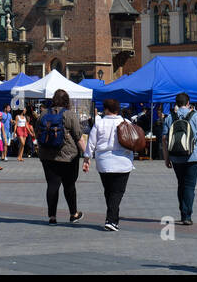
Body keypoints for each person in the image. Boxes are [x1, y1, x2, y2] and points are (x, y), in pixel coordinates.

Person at [82, 96, 133, 231]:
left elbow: (91, 143)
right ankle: (111, 220)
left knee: (109, 191)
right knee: (117, 192)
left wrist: (87, 159)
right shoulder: (126, 122)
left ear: (105, 109)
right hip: (123, 161)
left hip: (104, 162)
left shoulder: (99, 123)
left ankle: (113, 219)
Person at [36, 89, 86, 225]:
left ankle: (52, 217)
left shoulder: (43, 114)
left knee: (52, 185)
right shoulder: (70, 115)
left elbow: (37, 134)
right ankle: (73, 214)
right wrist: (87, 155)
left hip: (47, 156)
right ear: (67, 101)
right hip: (68, 157)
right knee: (69, 185)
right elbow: (78, 137)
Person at [161, 93, 197, 226]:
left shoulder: (170, 118)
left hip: (176, 156)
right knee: (189, 186)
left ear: (176, 103)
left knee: (181, 184)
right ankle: (187, 215)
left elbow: (164, 139)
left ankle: (183, 212)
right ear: (188, 103)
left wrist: (166, 158)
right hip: (193, 156)